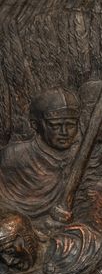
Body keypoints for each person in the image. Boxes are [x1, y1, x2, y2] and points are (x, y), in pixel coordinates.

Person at [0, 88, 82, 219]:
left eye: (71, 125)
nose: (64, 132)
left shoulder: (83, 156)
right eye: (55, 126)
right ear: (35, 125)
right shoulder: (13, 156)